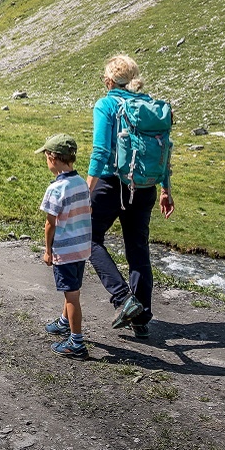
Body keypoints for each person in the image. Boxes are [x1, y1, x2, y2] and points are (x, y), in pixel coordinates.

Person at [87, 54, 174, 338]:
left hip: (111, 184)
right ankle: (141, 318)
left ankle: (124, 298)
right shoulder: (149, 106)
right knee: (138, 250)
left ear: (108, 80)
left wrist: (86, 189)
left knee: (89, 238)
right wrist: (166, 188)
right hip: (144, 187)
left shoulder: (106, 104)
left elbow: (101, 151)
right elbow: (165, 148)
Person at [37, 134, 92, 360]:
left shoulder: (56, 189)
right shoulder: (81, 183)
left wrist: (48, 250)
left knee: (71, 296)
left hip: (65, 250)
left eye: (46, 158)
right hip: (81, 247)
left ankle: (76, 342)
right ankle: (63, 322)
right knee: (72, 288)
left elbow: (50, 224)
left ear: (53, 158)